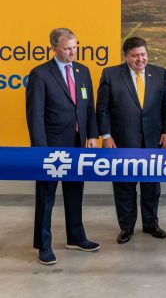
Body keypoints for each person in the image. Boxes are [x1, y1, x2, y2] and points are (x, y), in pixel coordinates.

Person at [26, 28, 100, 265]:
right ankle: (44, 245)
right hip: (52, 148)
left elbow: (89, 107)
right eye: (68, 48)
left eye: (75, 47)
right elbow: (35, 115)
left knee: (75, 192)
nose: (73, 52)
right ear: (54, 49)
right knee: (46, 196)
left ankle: (76, 237)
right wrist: (41, 150)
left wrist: (92, 135)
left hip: (79, 144)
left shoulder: (82, 71)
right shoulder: (40, 74)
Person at [96, 37, 166, 244]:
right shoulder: (111, 75)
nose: (140, 59)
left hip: (152, 140)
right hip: (122, 141)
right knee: (124, 187)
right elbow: (102, 108)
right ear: (125, 56)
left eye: (143, 54)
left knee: (151, 186)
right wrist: (106, 135)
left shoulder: (159, 73)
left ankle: (151, 224)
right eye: (135, 56)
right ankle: (126, 227)